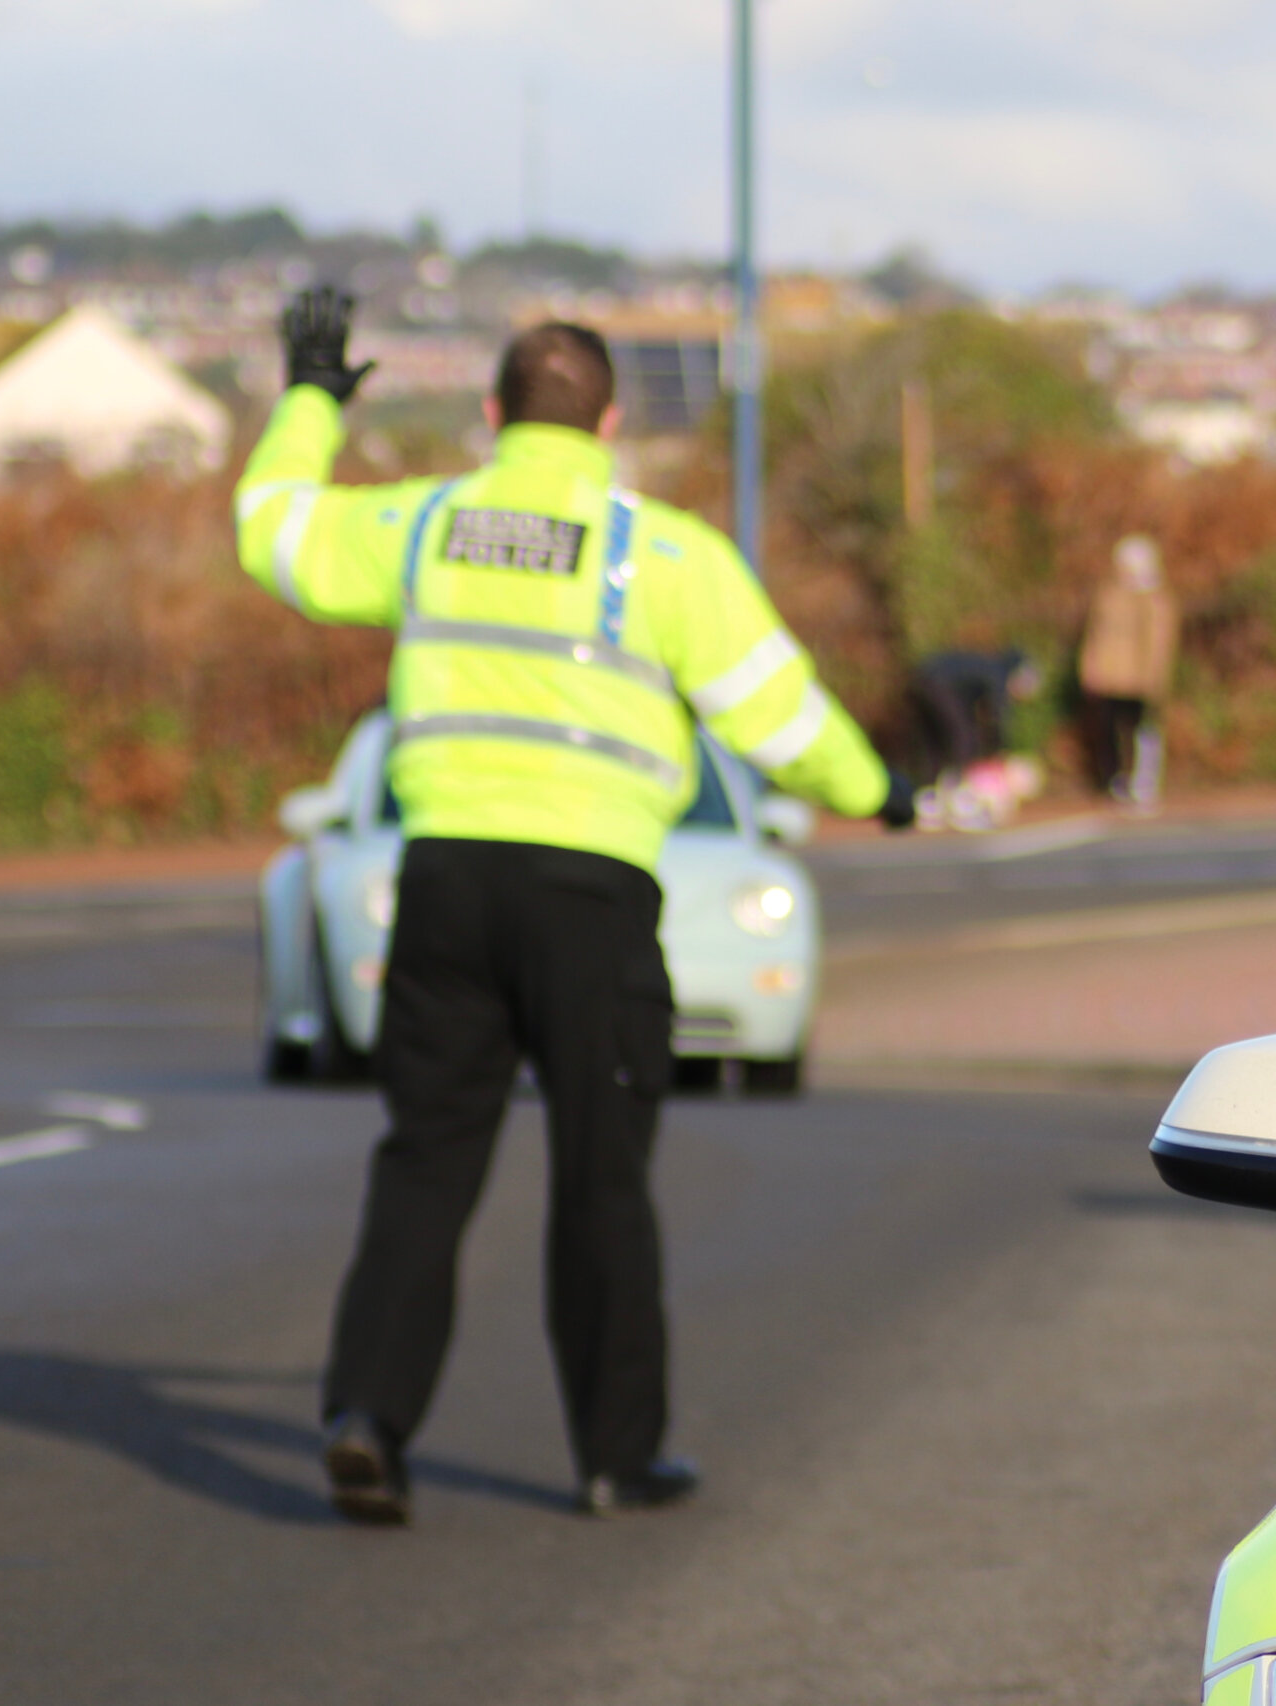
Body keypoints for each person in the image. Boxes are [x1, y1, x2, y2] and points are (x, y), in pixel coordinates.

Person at [234, 290, 913, 1526]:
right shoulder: (665, 556)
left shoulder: (430, 522)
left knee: (426, 1163)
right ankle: (615, 1456)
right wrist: (883, 790)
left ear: (493, 416)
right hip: (592, 897)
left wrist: (311, 401)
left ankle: (366, 1418)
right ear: (605, 425)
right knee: (601, 1178)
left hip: (442, 882)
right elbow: (779, 715)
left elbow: (273, 533)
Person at [1077, 534, 1179, 806]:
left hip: (1140, 675)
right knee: (1108, 725)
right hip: (1110, 675)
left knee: (1142, 727)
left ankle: (1145, 779)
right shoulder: (1108, 593)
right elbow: (1096, 632)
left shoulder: (1153, 596)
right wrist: (1090, 666)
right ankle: (1115, 779)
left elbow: (1159, 638)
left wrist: (1154, 674)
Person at [906, 647, 1043, 828]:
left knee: (933, 742)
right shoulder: (999, 674)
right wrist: (999, 750)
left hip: (921, 679)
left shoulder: (984, 665)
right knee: (965, 737)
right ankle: (961, 802)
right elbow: (997, 717)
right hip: (939, 685)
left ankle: (928, 804)